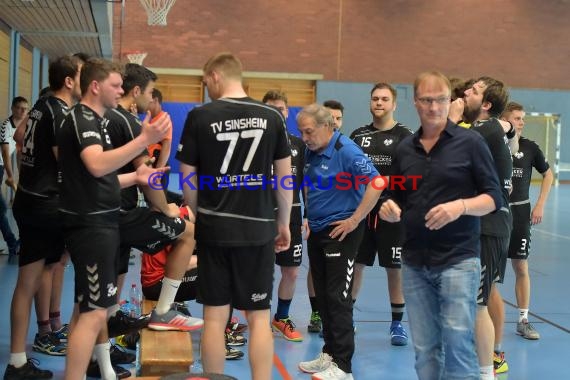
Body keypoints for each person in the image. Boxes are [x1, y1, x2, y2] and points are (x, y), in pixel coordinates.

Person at [379, 71, 502, 380]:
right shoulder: (405, 149)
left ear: (451, 101)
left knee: (459, 345)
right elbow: (392, 194)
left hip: (458, 260)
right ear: (416, 102)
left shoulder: (471, 143)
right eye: (426, 100)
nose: (434, 108)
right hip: (415, 263)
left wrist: (460, 207)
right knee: (425, 349)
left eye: (441, 100)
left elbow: (494, 198)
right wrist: (389, 207)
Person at [177, 52, 292, 379]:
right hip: (257, 229)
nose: (205, 86)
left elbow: (188, 178)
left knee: (214, 317)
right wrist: (283, 222)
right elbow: (285, 177)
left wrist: (199, 213)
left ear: (215, 75)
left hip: (215, 227)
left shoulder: (199, 117)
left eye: (204, 80)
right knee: (258, 316)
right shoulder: (272, 117)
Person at [57, 57, 170, 380]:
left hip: (100, 223)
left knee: (86, 312)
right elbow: (95, 165)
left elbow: (100, 175)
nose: (122, 90)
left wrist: (136, 179)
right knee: (93, 316)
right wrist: (143, 140)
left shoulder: (96, 121)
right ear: (95, 86)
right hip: (91, 227)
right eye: (116, 85)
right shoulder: (82, 119)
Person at [88, 62, 202, 379]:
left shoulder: (102, 118)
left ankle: (104, 365)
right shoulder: (129, 120)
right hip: (119, 215)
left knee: (103, 298)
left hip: (103, 214)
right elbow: (147, 178)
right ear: (136, 91)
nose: (151, 99)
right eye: (150, 92)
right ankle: (163, 311)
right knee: (187, 232)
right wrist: (166, 209)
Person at [3, 55, 83, 380]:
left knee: (35, 275)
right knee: (38, 275)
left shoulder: (40, 105)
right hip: (46, 205)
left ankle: (23, 355)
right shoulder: (61, 112)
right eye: (81, 75)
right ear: (69, 80)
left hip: (27, 198)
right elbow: (67, 162)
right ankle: (25, 356)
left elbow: (21, 139)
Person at [297, 103, 383, 380]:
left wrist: (355, 220)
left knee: (338, 298)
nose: (305, 137)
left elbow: (376, 183)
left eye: (308, 131)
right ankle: (330, 353)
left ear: (327, 126)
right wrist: (308, 216)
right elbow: (309, 186)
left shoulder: (346, 150)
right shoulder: (311, 151)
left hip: (342, 232)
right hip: (319, 230)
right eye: (301, 132)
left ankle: (344, 366)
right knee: (322, 297)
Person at [458, 76, 514, 378]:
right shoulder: (486, 130)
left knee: (481, 299)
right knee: (474, 297)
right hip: (473, 226)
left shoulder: (488, 128)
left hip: (489, 226)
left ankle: (489, 364)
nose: (467, 92)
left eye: (475, 91)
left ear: (487, 104)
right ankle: (480, 357)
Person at [140, 204, 245, 361]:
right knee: (221, 277)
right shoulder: (181, 222)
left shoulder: (187, 215)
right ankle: (217, 341)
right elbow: (179, 263)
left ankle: (221, 332)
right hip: (157, 284)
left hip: (160, 279)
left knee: (221, 271)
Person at [349, 83, 411, 346]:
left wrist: (399, 204)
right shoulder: (358, 135)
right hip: (362, 212)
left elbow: (413, 177)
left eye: (385, 99)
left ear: (394, 104)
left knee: (394, 267)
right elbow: (348, 174)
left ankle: (397, 323)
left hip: (392, 213)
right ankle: (347, 317)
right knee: (356, 264)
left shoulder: (406, 137)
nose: (379, 103)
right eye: (375, 98)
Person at [500, 101, 553, 341]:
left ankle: (523, 319)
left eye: (523, 118)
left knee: (521, 266)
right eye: (517, 118)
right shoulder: (494, 146)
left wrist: (540, 203)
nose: (521, 122)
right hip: (496, 213)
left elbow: (548, 174)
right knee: (489, 269)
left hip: (521, 213)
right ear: (505, 119)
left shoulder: (530, 148)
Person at [262, 89, 306, 342]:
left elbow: (305, 183)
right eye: (272, 109)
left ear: (288, 112)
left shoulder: (298, 144)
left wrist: (308, 215)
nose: (278, 113)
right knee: (261, 270)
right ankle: (258, 318)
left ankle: (282, 317)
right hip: (263, 216)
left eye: (281, 109)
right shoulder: (256, 144)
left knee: (292, 271)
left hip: (293, 215)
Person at [0, 96, 26, 260]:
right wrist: (10, 177)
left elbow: (17, 153)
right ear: (12, 109)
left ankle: (13, 244)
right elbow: (5, 153)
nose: (23, 111)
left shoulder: (24, 126)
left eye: (25, 108)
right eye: (19, 108)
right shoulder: (5, 126)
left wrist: (21, 176)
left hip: (1, 167)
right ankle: (13, 244)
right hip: (0, 166)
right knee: (2, 209)